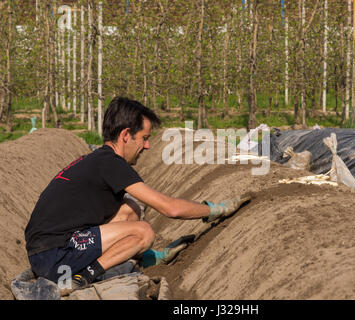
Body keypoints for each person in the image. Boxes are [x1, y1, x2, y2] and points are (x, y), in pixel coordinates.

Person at [24, 96, 246, 292]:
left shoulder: (100, 159)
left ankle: (141, 258)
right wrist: (214, 209)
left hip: (48, 250)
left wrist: (149, 256)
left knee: (130, 209)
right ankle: (82, 278)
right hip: (54, 257)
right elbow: (171, 208)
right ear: (126, 135)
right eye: (144, 138)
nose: (147, 146)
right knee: (144, 233)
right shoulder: (111, 164)